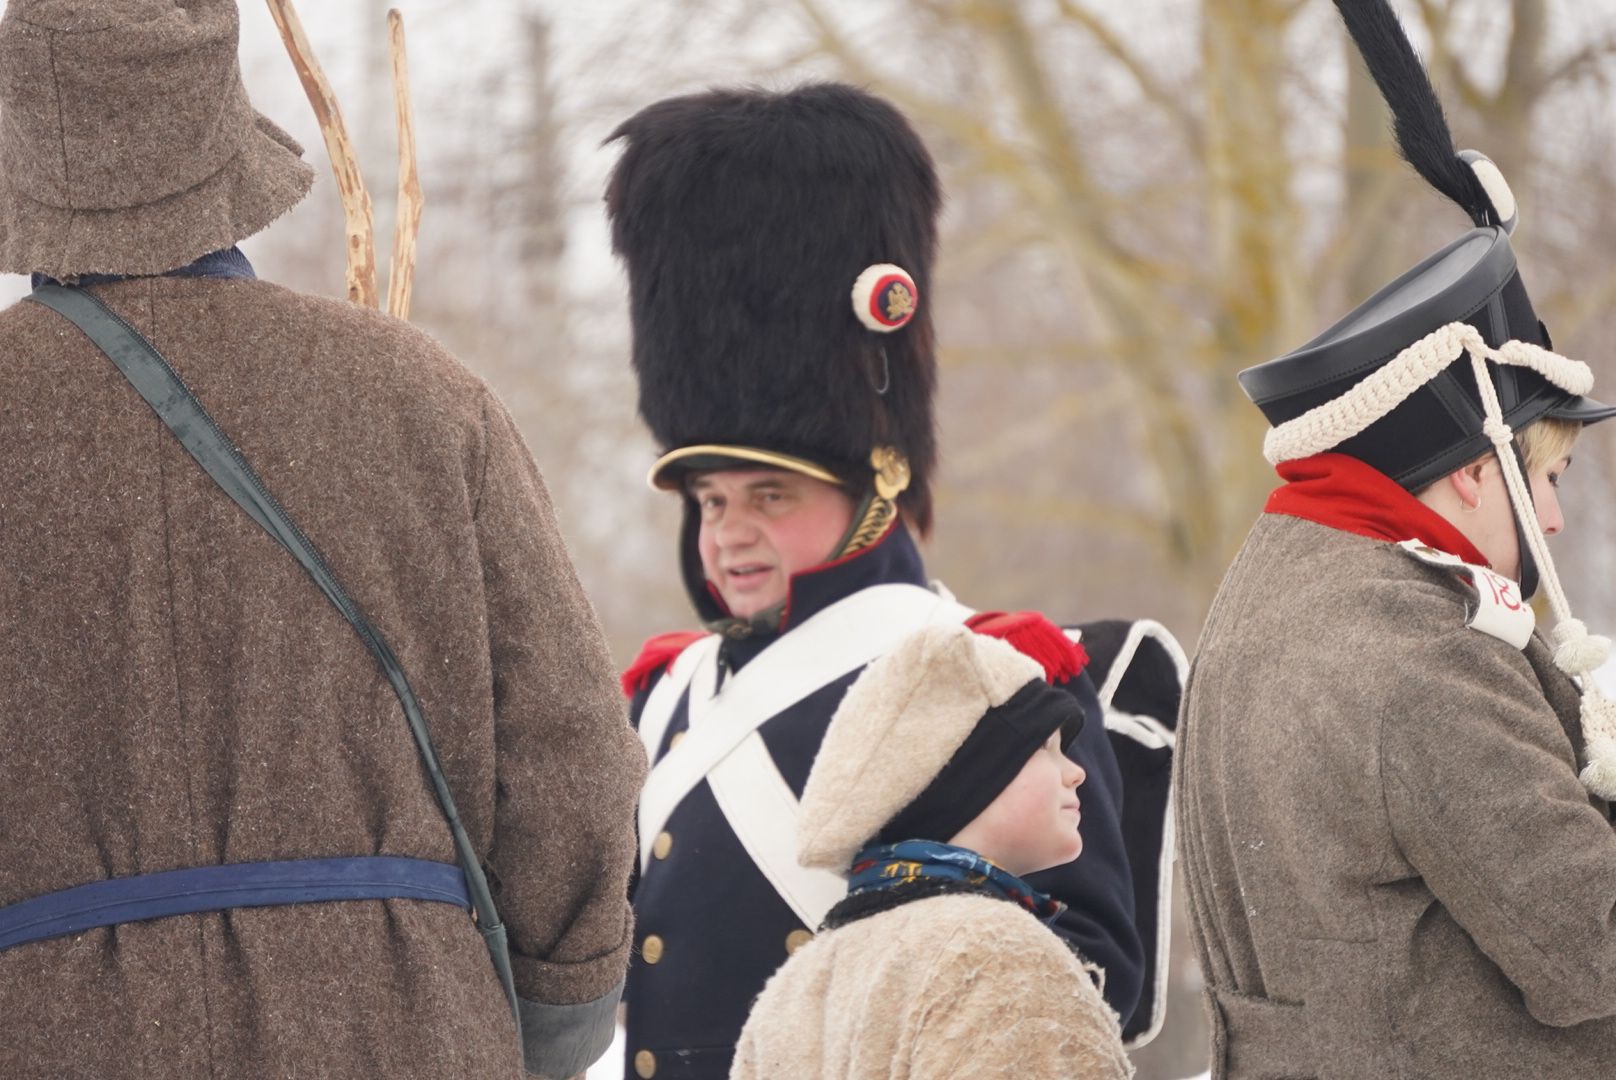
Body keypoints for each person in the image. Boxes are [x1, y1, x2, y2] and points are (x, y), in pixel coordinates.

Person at [0, 4, 642, 1078]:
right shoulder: (420, 397)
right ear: (221, 136)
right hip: (405, 1030)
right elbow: (568, 752)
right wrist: (552, 1016)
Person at [606, 82, 1185, 1080]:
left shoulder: (989, 680)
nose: (731, 534)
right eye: (709, 501)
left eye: (769, 498)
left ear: (875, 478)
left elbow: (1089, 975)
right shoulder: (665, 696)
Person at [1175, 2, 1616, 1076]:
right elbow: (1592, 954)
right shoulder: (1422, 665)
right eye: (1543, 477)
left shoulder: (1270, 594)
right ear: (1474, 469)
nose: (1551, 518)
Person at [731, 623, 1133, 1080]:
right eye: (1045, 746)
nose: (1076, 772)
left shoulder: (799, 980)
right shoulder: (997, 956)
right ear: (968, 777)